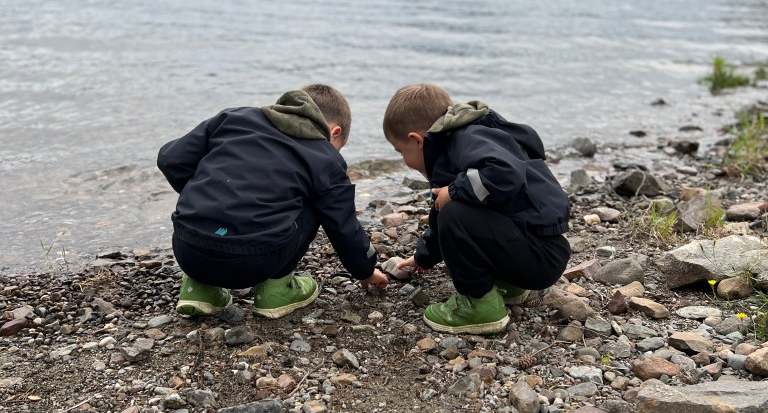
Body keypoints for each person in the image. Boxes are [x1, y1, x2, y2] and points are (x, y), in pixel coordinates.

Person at [158, 84, 388, 318]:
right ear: (334, 132)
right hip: (256, 260)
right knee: (320, 201)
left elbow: (170, 159)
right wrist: (365, 270)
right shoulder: (325, 157)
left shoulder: (233, 118)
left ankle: (198, 288)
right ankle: (276, 290)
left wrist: (203, 195)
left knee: (216, 190)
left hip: (187, 249)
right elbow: (342, 224)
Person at [382, 84, 570, 335]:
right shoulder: (468, 141)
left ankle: (478, 304)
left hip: (538, 258)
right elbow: (447, 221)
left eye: (400, 151)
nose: (404, 161)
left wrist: (456, 190)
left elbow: (506, 173)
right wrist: (422, 258)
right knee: (455, 210)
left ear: (417, 140)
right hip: (539, 252)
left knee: (454, 212)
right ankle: (510, 286)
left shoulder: (465, 141)